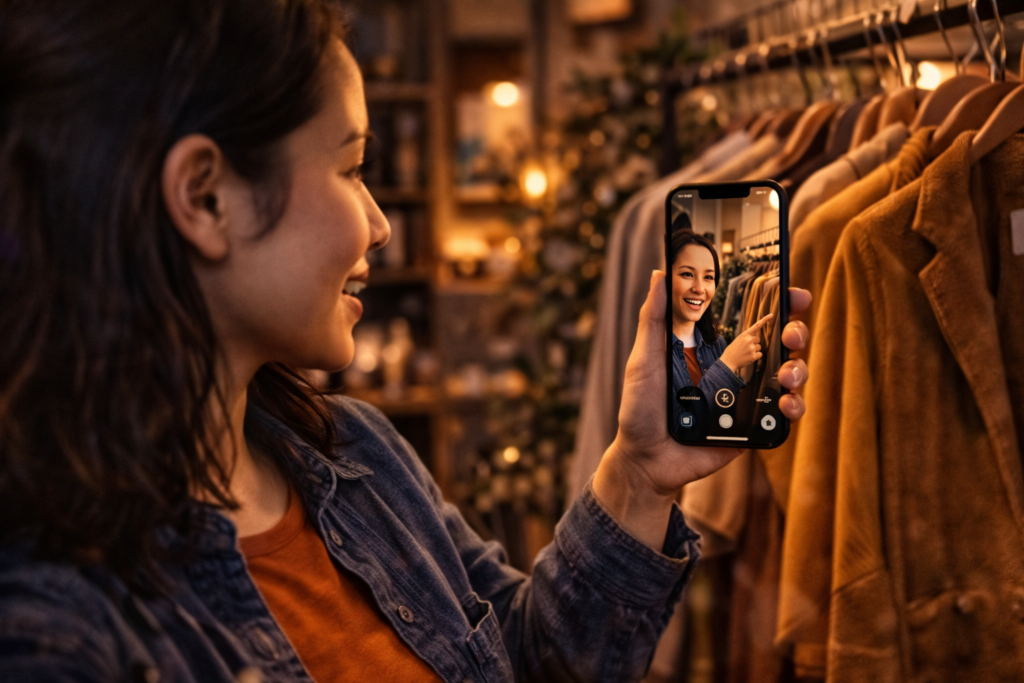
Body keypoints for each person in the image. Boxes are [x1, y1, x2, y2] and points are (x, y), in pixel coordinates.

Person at [0, 1, 811, 681]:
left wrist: (638, 476)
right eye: (351, 169)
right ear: (206, 198)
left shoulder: (357, 457)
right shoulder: (55, 626)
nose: (381, 224)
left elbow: (524, 661)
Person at [669, 230, 771, 404]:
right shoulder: (652, 353)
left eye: (709, 277)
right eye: (687, 274)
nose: (700, 288)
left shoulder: (717, 344)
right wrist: (727, 365)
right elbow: (681, 427)